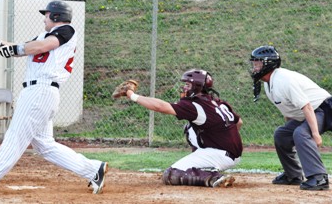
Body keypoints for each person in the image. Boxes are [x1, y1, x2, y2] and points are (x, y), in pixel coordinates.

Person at [0, 0, 107, 196]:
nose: (44, 18)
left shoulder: (66, 31)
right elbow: (28, 46)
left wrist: (15, 49)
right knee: (45, 145)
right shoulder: (47, 35)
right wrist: (3, 46)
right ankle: (93, 169)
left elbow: (41, 46)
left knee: (14, 138)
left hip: (40, 92)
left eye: (47, 15)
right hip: (39, 93)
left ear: (56, 16)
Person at [116, 69, 243, 188]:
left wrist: (131, 95)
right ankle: (209, 167)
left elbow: (160, 106)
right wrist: (223, 138)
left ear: (197, 86)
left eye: (188, 85)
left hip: (219, 154)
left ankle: (212, 177)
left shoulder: (194, 105)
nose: (184, 88)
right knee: (191, 127)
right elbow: (238, 123)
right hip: (232, 153)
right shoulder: (218, 103)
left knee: (171, 174)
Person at [249, 45, 330, 191]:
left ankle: (319, 177)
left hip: (324, 108)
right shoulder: (269, 83)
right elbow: (289, 112)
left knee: (301, 133)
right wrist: (289, 131)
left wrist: (316, 134)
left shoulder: (283, 80)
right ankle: (293, 175)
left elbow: (307, 106)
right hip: (311, 112)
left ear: (268, 65)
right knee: (281, 134)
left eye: (257, 64)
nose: (254, 68)